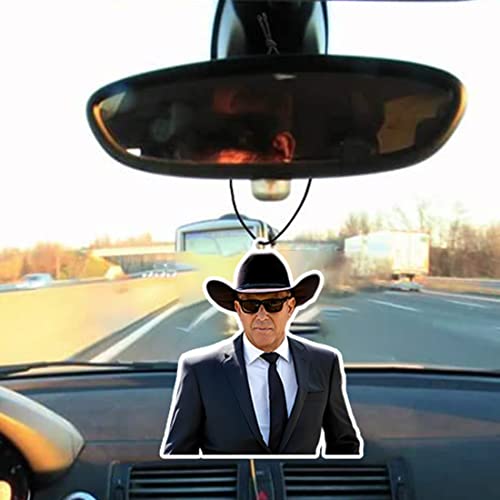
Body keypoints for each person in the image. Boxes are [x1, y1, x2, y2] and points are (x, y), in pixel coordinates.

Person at [160, 249, 363, 457]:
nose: (262, 315)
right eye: (251, 305)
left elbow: (344, 446)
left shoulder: (324, 363)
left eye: (273, 304)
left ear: (290, 307)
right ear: (238, 309)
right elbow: (178, 459)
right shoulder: (200, 370)